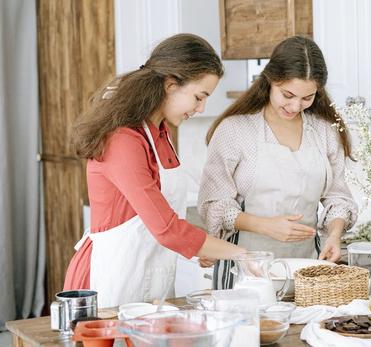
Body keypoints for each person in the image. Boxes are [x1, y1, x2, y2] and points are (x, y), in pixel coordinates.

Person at [63, 33, 246, 308]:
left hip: (148, 281)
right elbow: (167, 229)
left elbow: (159, 216)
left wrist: (200, 247)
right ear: (171, 85)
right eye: (199, 97)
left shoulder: (160, 132)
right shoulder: (122, 139)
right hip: (110, 280)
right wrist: (243, 254)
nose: (201, 108)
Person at [198, 36, 357, 289]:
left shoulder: (325, 132)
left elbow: (338, 197)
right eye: (288, 94)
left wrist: (335, 234)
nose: (295, 106)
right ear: (271, 80)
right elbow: (214, 204)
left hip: (308, 271)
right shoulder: (236, 130)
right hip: (244, 271)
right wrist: (265, 226)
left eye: (307, 98)